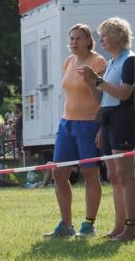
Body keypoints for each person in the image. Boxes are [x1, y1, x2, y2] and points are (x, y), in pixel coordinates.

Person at [78, 17, 135, 242]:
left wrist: (97, 81)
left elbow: (124, 93)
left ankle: (130, 229)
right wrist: (90, 83)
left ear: (118, 35)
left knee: (125, 176)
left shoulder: (130, 60)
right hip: (108, 119)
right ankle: (118, 228)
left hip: (124, 118)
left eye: (104, 35)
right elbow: (102, 98)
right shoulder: (112, 61)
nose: (101, 39)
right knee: (114, 176)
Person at [45, 23, 108, 238]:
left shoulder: (98, 62)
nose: (74, 42)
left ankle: (89, 224)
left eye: (78, 38)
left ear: (89, 41)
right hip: (66, 123)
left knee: (90, 173)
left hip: (89, 123)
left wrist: (101, 127)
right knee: (59, 173)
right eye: (71, 38)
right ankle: (66, 224)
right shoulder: (69, 62)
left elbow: (102, 97)